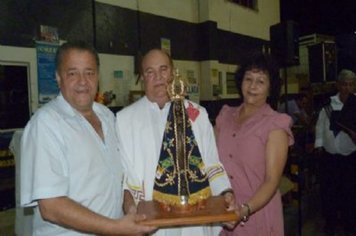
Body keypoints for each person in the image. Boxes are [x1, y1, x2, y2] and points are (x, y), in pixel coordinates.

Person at [20, 41, 155, 235]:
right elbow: (51, 206)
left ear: (97, 77)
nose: (83, 81)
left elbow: (119, 177)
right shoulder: (46, 124)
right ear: (59, 78)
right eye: (73, 73)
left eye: (89, 72)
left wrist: (129, 207)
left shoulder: (107, 116)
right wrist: (116, 228)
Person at [115, 49, 236, 236]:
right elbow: (125, 177)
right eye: (150, 72)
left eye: (163, 69)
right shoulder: (124, 120)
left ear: (173, 72)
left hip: (195, 217)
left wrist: (225, 195)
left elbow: (211, 162)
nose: (158, 77)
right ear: (142, 79)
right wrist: (131, 209)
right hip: (151, 219)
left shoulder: (198, 115)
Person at [215, 52, 294, 236]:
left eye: (260, 81)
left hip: (256, 213)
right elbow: (208, 159)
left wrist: (243, 210)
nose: (252, 86)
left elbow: (271, 181)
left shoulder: (275, 124)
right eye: (248, 78)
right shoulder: (225, 116)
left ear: (270, 88)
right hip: (224, 213)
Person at [314, 69, 356, 236]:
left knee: (350, 192)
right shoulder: (328, 105)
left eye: (351, 84)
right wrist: (319, 145)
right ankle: (330, 222)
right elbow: (320, 126)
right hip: (330, 158)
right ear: (338, 85)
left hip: (351, 158)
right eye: (344, 84)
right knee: (329, 192)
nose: (347, 87)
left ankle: (350, 223)